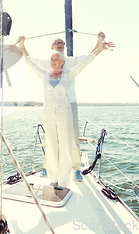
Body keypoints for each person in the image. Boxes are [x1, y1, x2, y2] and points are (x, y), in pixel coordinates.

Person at [16, 37, 113, 189]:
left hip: (65, 110)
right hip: (48, 112)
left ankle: (64, 180)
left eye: (56, 59)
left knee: (67, 146)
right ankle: (52, 178)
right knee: (52, 145)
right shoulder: (44, 74)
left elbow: (86, 61)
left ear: (62, 61)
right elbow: (30, 62)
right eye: (52, 59)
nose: (53, 61)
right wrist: (19, 50)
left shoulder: (69, 72)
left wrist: (100, 48)